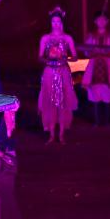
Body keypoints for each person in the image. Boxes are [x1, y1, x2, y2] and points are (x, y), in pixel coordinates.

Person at [37, 7, 78, 144]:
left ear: (62, 22)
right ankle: (51, 134)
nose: (56, 24)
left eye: (58, 21)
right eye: (53, 21)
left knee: (63, 101)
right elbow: (40, 57)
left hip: (63, 71)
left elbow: (75, 57)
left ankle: (61, 134)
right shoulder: (45, 38)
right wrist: (49, 59)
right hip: (49, 72)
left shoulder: (67, 38)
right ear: (51, 22)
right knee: (50, 101)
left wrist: (64, 57)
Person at [80, 8, 110, 126]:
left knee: (108, 93)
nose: (101, 22)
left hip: (108, 66)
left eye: (103, 20)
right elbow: (86, 52)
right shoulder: (91, 36)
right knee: (95, 93)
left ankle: (107, 121)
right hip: (94, 66)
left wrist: (107, 52)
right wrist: (93, 51)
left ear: (107, 21)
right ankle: (97, 121)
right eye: (99, 20)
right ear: (95, 21)